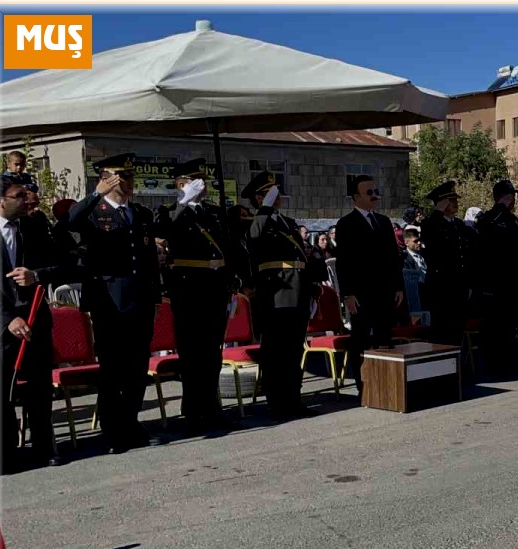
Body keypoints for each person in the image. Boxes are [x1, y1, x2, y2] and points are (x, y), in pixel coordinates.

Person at [66, 153, 161, 454]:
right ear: (107, 179)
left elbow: (147, 261)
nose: (130, 183)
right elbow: (70, 221)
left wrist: (155, 295)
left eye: (131, 177)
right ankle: (113, 430)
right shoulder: (94, 213)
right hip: (110, 302)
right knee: (113, 369)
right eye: (123, 177)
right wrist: (96, 194)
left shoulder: (141, 214)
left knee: (137, 367)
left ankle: (131, 422)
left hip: (140, 300)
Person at [153, 159, 243, 434]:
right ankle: (192, 412)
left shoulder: (215, 213)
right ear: (181, 184)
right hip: (188, 288)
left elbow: (228, 248)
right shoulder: (168, 212)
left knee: (212, 353)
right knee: (192, 354)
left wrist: (231, 281)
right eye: (194, 181)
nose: (201, 186)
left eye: (201, 181)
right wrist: (183, 204)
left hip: (215, 288)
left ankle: (212, 408)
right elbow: (163, 234)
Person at [0, 176, 76, 468]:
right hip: (0, 327)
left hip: (35, 321)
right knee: (2, 392)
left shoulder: (33, 226)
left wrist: (36, 275)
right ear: (0, 200)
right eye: (18, 195)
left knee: (40, 390)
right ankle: (6, 455)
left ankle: (44, 447)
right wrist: (6, 318)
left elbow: (64, 265)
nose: (26, 200)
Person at [242, 171, 326, 420]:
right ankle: (276, 402)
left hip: (297, 289)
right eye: (269, 193)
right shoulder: (255, 221)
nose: (276, 196)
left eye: (275, 192)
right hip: (275, 293)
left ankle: (293, 399)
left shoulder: (288, 223)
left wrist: (311, 287)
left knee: (293, 350)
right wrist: (264, 209)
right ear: (258, 197)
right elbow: (253, 238)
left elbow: (303, 257)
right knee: (275, 351)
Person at [335, 174, 405, 396]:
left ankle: (386, 384)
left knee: (385, 337)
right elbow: (343, 262)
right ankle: (363, 386)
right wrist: (347, 294)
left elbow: (394, 258)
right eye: (369, 193)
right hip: (361, 293)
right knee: (361, 339)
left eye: (376, 191)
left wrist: (398, 286)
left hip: (384, 291)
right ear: (356, 197)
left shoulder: (383, 222)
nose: (375, 196)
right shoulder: (346, 224)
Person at [476, 180, 518, 374]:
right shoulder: (494, 219)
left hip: (507, 281)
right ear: (508, 197)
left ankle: (504, 360)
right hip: (497, 281)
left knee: (506, 323)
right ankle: (496, 362)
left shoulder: (503, 219)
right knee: (496, 324)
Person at [420, 180, 473, 346]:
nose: (456, 204)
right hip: (441, 286)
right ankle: (442, 367)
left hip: (459, 285)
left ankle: (456, 365)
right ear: (442, 203)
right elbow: (432, 244)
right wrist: (437, 212)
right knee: (442, 330)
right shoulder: (431, 223)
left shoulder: (458, 225)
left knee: (456, 329)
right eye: (451, 200)